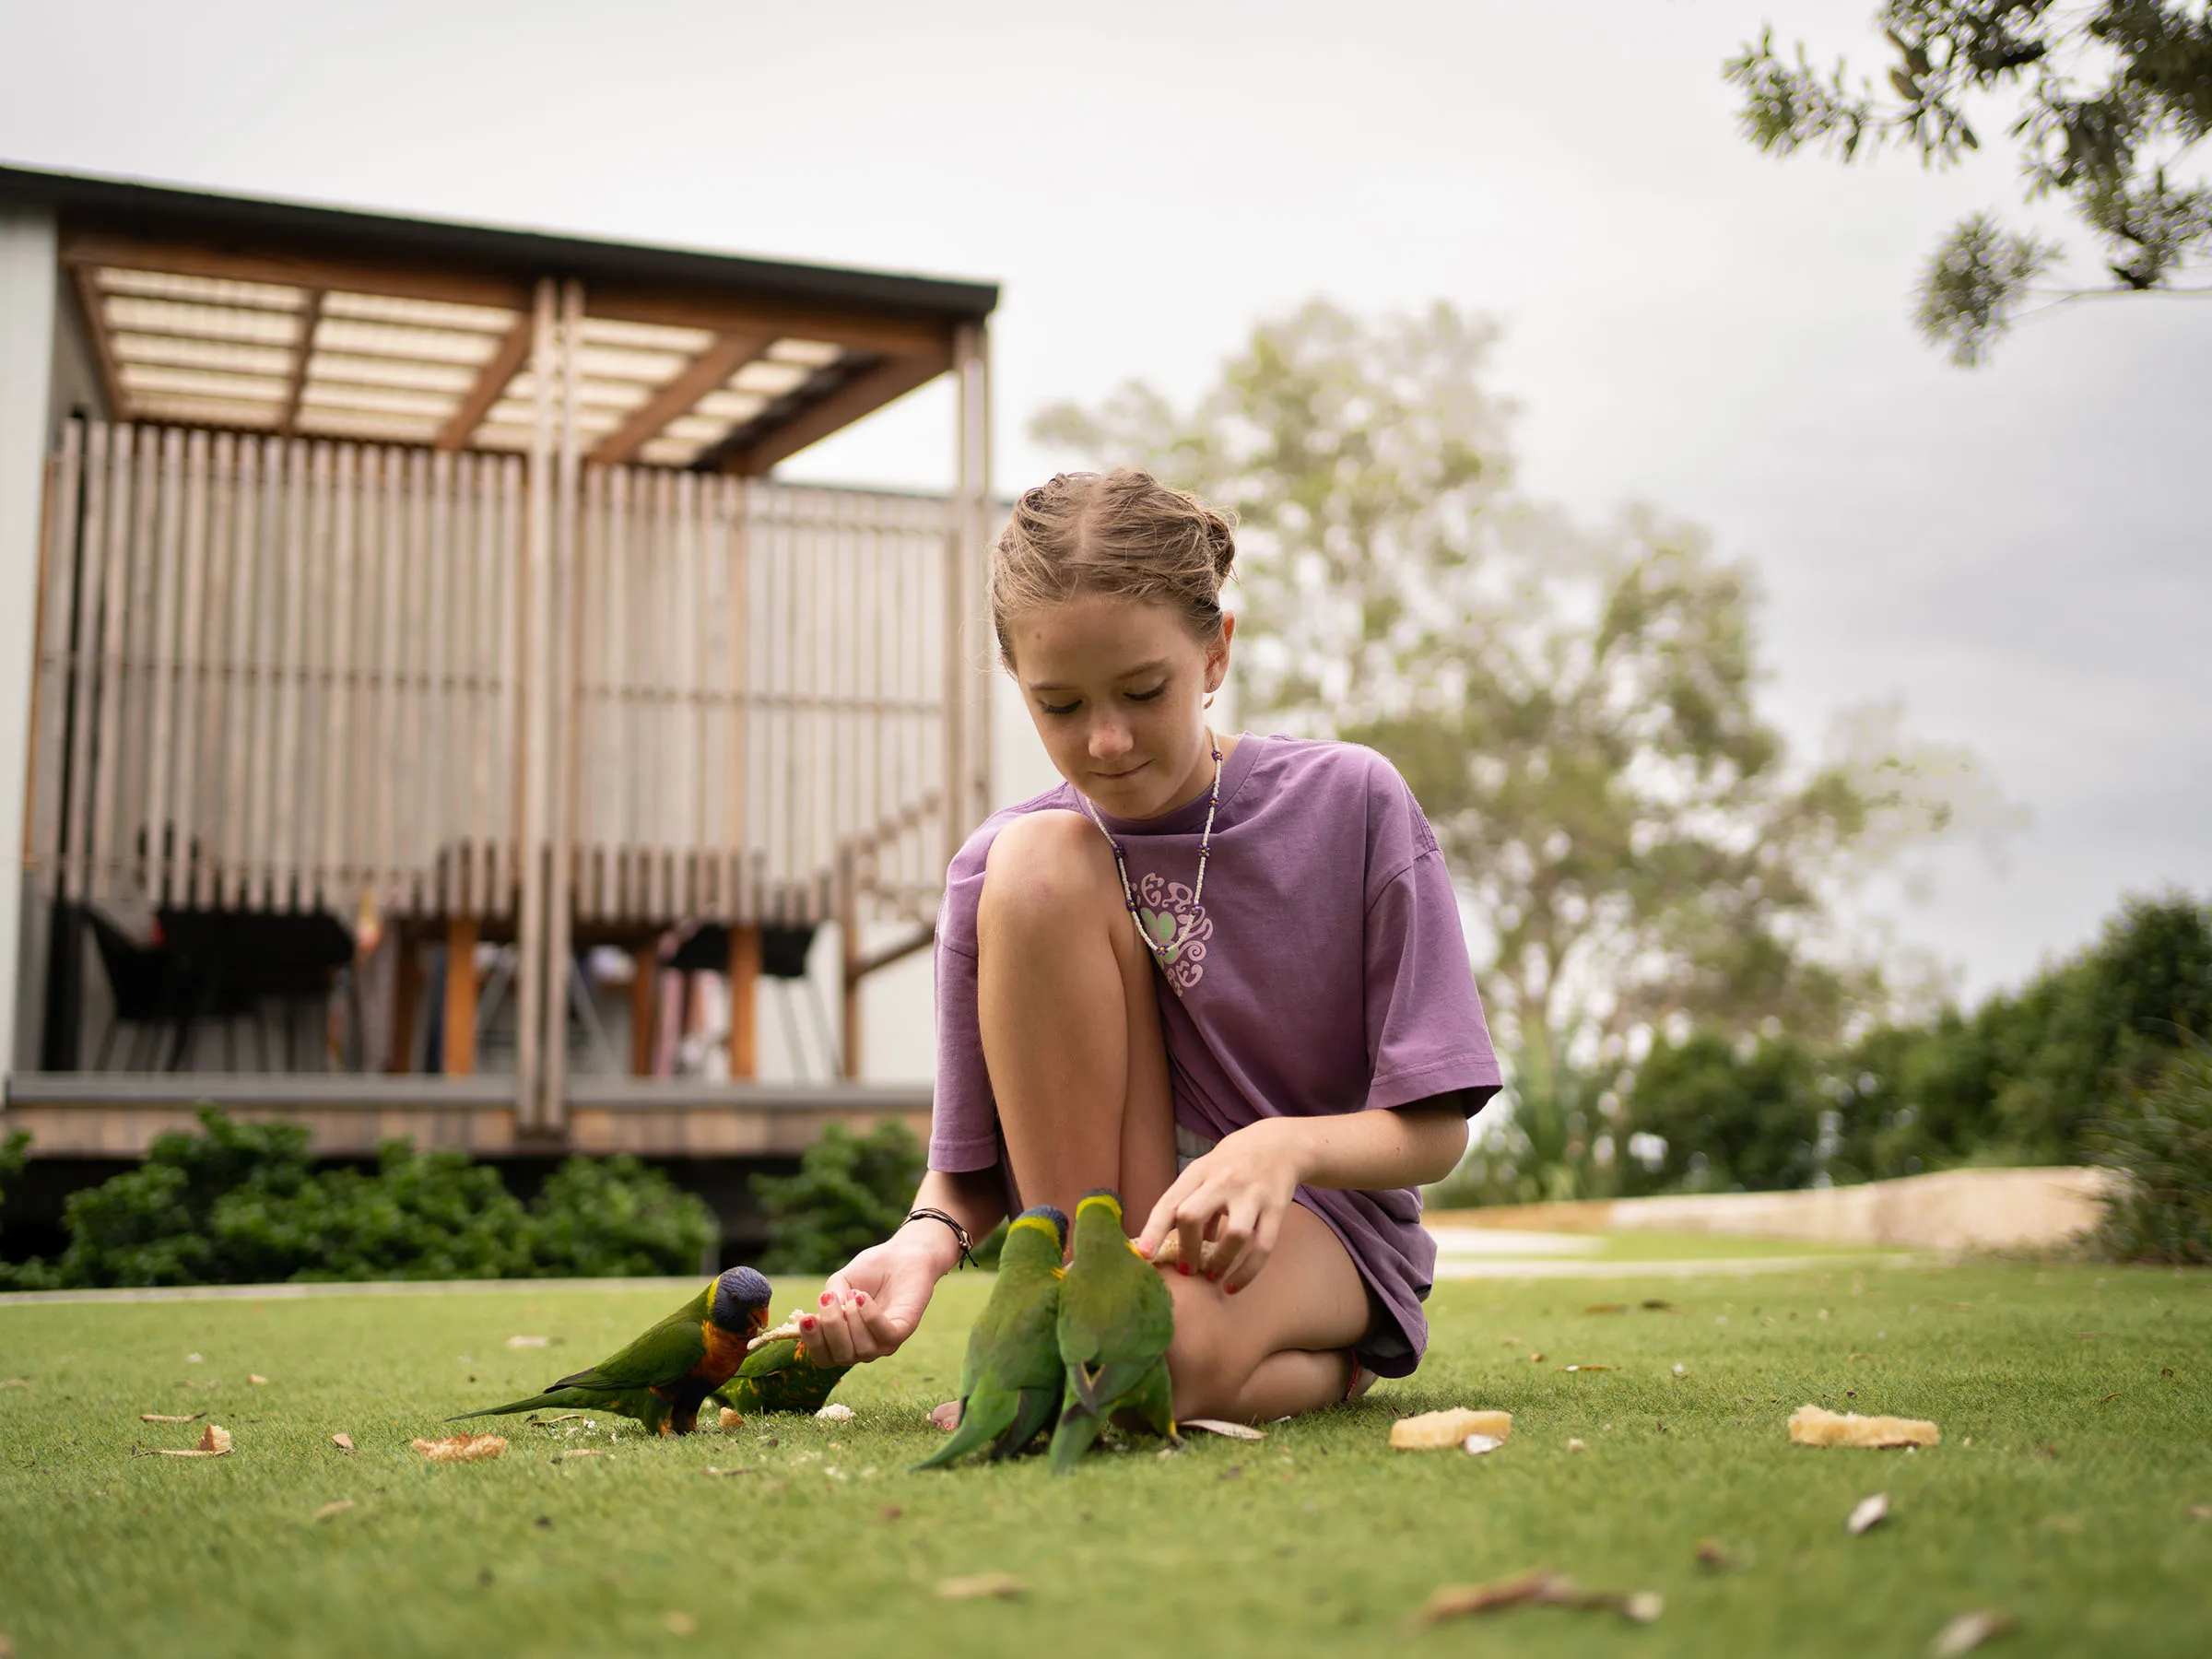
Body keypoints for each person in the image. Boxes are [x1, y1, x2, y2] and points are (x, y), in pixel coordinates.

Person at [797, 467, 1500, 1422]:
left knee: (1144, 1368)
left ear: (1215, 654)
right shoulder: (996, 875)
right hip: (1108, 1238)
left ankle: (1288, 1351)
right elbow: (965, 1173)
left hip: (1316, 1221)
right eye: (1062, 706)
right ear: (1020, 687)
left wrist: (1279, 1149)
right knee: (1036, 859)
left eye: (1142, 690)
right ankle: (1083, 1324)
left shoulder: (1350, 805)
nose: (1109, 742)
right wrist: (921, 1242)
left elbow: (1435, 1130)